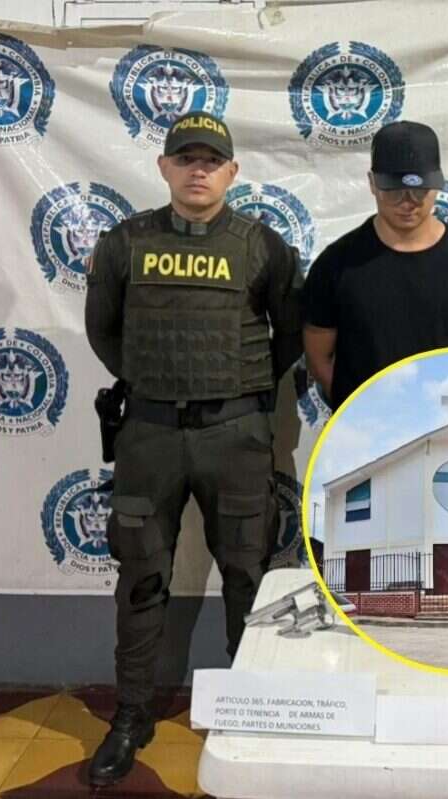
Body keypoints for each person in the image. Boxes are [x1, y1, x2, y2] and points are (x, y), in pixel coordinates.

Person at [84, 110, 302, 786]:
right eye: (186, 159)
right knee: (141, 578)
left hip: (235, 435)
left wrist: (235, 392)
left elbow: (289, 338)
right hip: (149, 435)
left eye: (211, 160)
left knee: (248, 576)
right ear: (164, 168)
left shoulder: (264, 246)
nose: (198, 170)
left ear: (232, 172)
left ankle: (250, 711)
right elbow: (104, 331)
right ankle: (130, 715)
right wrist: (156, 386)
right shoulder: (125, 244)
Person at [302, 120, 448, 409]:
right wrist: (356, 410)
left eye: (419, 190)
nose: (408, 202)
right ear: (372, 183)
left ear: (437, 185)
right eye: (394, 190)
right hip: (365, 427)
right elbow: (318, 355)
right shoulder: (336, 265)